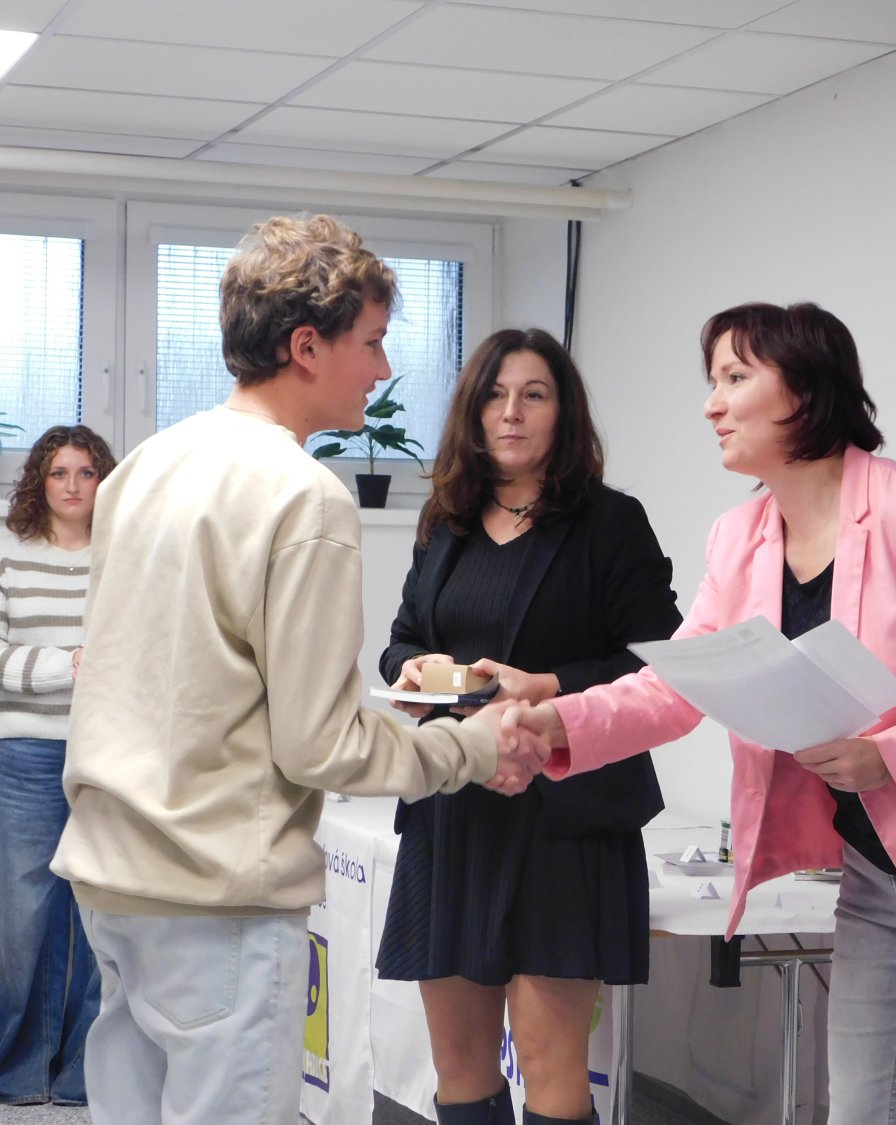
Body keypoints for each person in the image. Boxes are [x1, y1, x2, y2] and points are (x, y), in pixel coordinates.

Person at [500, 301, 896, 1125]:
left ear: (805, 390)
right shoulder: (738, 535)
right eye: (712, 381)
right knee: (858, 1111)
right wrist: (561, 722)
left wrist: (895, 753)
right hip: (875, 871)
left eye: (734, 378)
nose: (711, 404)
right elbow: (679, 683)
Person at [50, 215, 547, 1125]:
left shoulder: (143, 469)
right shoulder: (303, 496)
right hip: (217, 899)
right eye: (373, 341)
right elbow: (321, 746)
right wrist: (472, 748)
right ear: (307, 346)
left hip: (113, 882)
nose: (384, 368)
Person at [374, 328, 680, 1125]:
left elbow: (661, 664)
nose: (511, 412)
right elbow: (400, 639)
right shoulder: (447, 521)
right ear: (473, 413)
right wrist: (413, 666)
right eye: (495, 395)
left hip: (564, 817)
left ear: (563, 412)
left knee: (549, 1059)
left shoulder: (611, 523)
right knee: (459, 1064)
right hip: (454, 807)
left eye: (533, 394)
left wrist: (548, 685)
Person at [0, 425, 115, 1107]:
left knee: (101, 913)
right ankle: (17, 1072)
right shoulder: (9, 550)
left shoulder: (123, 554)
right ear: (38, 482)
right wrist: (71, 665)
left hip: (107, 752)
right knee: (23, 915)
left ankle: (84, 1073)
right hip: (26, 752)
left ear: (105, 481)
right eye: (59, 473)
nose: (73, 486)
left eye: (87, 472)